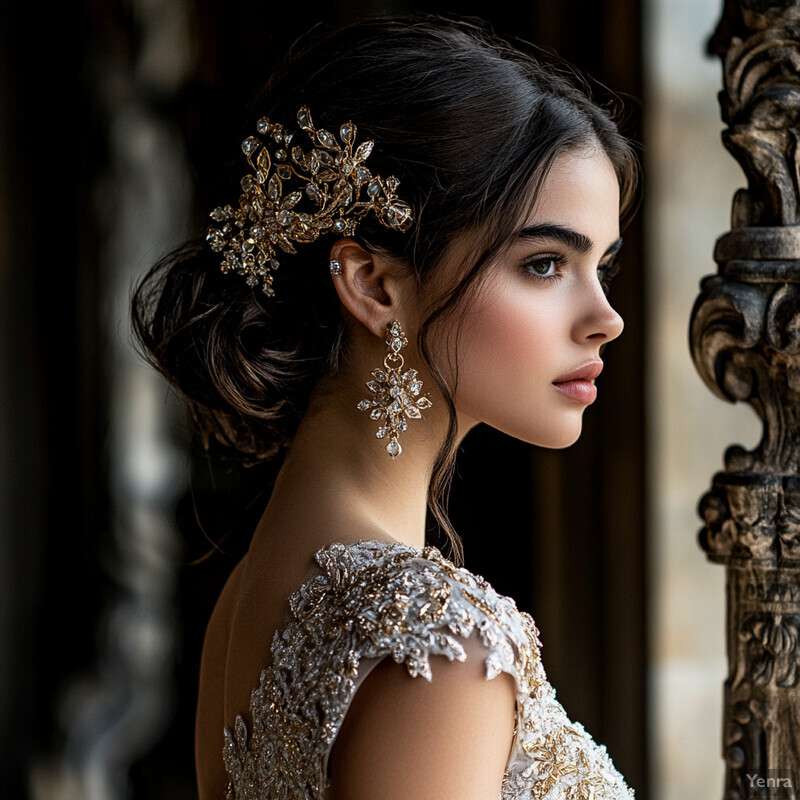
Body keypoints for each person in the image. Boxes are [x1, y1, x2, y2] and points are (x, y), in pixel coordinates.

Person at [131, 13, 639, 800]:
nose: (604, 317)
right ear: (373, 285)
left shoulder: (254, 594)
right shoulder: (440, 645)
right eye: (545, 264)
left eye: (600, 266)